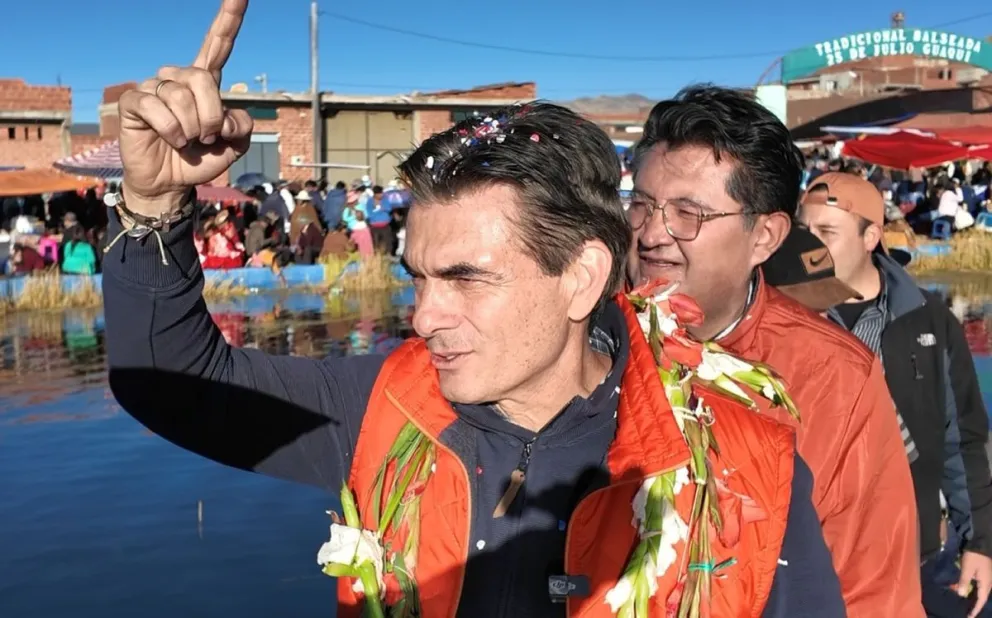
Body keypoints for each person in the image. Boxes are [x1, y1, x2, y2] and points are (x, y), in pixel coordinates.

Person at [103, 3, 843, 615]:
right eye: (419, 278)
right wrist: (151, 205)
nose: (424, 317)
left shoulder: (738, 457)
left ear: (582, 277)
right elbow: (167, 380)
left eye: (465, 278)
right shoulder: (387, 403)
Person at [628, 84, 922, 617]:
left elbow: (875, 589)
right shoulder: (584, 334)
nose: (652, 234)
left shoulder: (835, 377)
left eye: (688, 214)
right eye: (642, 206)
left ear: (765, 236)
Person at [797, 172, 992, 618]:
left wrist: (979, 540)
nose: (809, 244)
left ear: (871, 237)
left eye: (827, 232)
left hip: (912, 548)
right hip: (808, 550)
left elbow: (962, 438)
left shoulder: (930, 318)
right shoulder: (783, 317)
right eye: (804, 230)